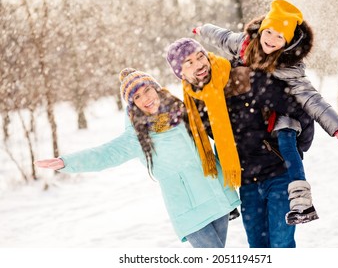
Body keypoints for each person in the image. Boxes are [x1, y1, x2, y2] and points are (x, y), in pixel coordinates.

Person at [192, 0, 338, 225]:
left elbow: (311, 98)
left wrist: (337, 128)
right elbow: (221, 36)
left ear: (287, 42)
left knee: (286, 131)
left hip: (278, 113)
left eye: (279, 36)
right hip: (247, 114)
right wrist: (202, 29)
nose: (271, 39)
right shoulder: (242, 44)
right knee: (225, 136)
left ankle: (301, 199)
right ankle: (225, 197)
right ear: (262, 29)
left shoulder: (290, 67)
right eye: (269, 32)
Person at [34, 68, 241, 248]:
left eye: (147, 90)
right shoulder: (137, 135)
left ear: (156, 88)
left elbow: (219, 127)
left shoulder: (184, 110)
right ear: (133, 104)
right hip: (189, 209)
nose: (146, 99)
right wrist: (67, 162)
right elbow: (105, 154)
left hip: (217, 195)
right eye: (137, 97)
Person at [166, 37, 315, 248]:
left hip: (278, 173)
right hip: (246, 182)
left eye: (200, 56)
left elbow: (296, 108)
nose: (199, 64)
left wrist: (298, 148)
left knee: (281, 243)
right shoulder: (195, 101)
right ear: (180, 73)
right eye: (188, 62)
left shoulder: (243, 78)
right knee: (257, 245)